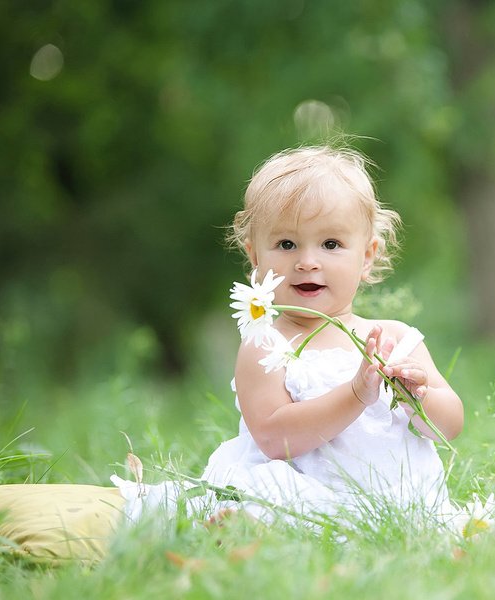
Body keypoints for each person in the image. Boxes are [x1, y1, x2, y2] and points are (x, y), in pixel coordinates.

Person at [111, 146, 464, 528]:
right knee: (271, 498)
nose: (307, 261)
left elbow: (449, 426)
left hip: (397, 499)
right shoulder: (265, 344)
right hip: (305, 492)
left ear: (366, 256)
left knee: (444, 525)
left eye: (330, 244)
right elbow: (273, 438)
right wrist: (357, 394)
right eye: (286, 244)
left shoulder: (395, 338)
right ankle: (253, 529)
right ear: (255, 258)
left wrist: (418, 397)